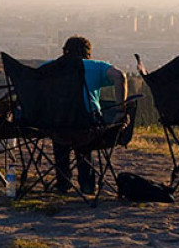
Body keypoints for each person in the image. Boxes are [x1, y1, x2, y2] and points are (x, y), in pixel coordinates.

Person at [53, 36, 127, 194]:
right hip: (86, 124)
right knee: (84, 138)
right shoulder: (95, 67)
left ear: (65, 51)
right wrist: (121, 110)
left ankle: (62, 182)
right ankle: (87, 184)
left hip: (56, 124)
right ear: (88, 53)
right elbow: (120, 76)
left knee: (60, 134)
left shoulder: (51, 67)